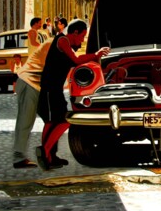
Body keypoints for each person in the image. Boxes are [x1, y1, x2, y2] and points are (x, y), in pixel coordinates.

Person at [36, 19, 110, 170]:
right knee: (64, 120)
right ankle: (44, 152)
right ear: (75, 32)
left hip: (53, 88)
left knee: (51, 122)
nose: (82, 40)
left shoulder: (65, 43)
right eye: (82, 36)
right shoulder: (63, 40)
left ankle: (50, 156)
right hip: (50, 89)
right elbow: (75, 60)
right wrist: (95, 54)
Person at [12, 39, 53, 168]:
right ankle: (19, 158)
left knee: (29, 120)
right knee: (25, 120)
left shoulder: (53, 43)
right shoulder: (55, 45)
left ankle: (47, 154)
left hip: (30, 82)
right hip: (30, 82)